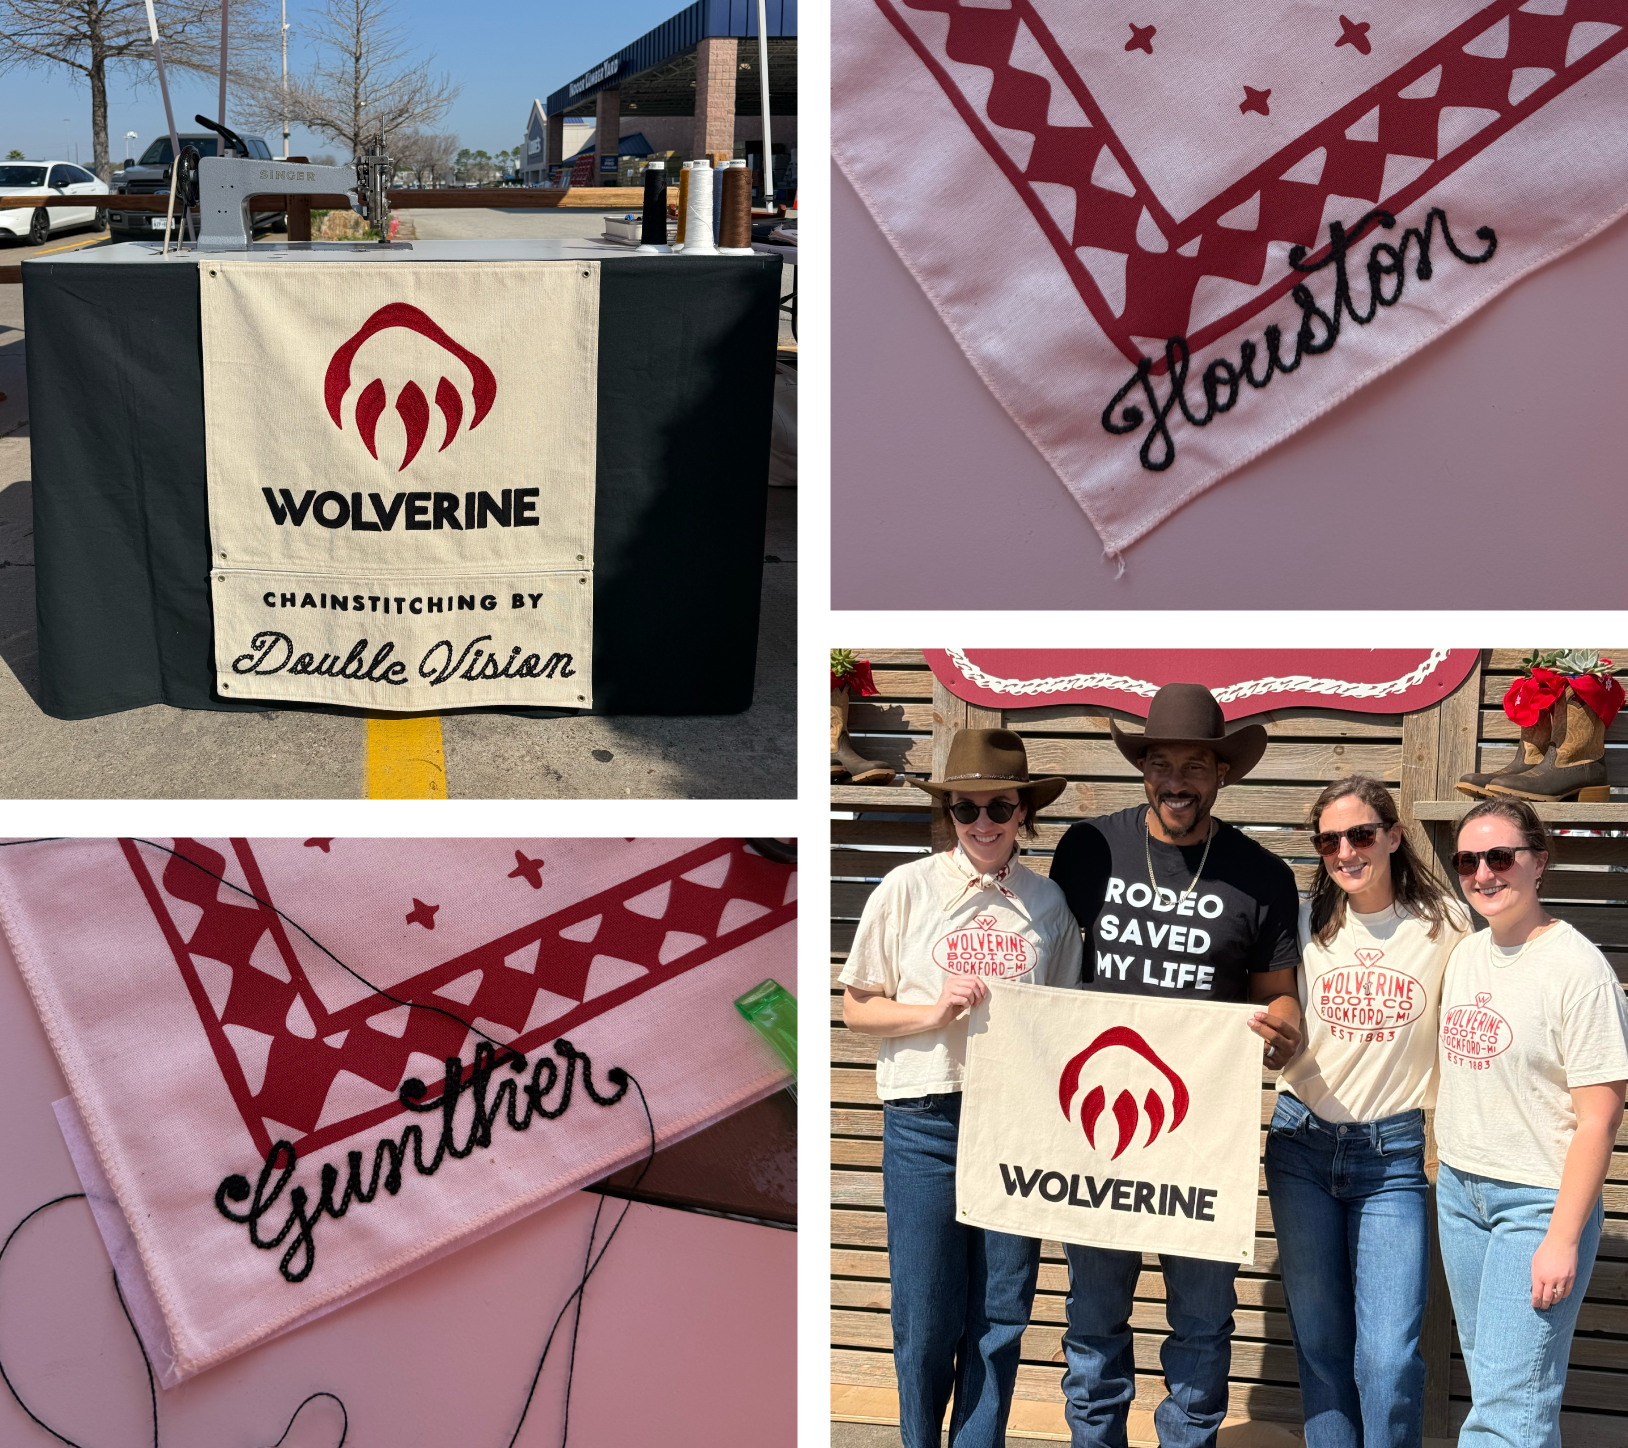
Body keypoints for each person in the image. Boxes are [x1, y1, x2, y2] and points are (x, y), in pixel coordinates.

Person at [1048, 682, 1302, 1448]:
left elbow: (1279, 997)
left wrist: (1284, 1029)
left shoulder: (1261, 875)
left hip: (1202, 1140)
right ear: (1143, 768)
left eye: (1196, 765)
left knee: (1202, 1324)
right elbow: (1048, 972)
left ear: (1222, 772)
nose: (1177, 781)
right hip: (1096, 1132)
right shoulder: (1088, 850)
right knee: (1094, 1320)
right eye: (1162, 763)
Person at [839, 728, 1084, 1448]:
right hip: (925, 1121)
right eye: (966, 808)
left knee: (1000, 1315)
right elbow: (851, 1007)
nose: (983, 822)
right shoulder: (905, 889)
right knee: (924, 1316)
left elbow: (1065, 1020)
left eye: (1000, 807)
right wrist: (931, 1012)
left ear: (1023, 813)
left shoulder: (1048, 904)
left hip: (1014, 1123)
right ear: (947, 813)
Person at [1267, 775, 1470, 1448]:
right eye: (1329, 841)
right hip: (1300, 1143)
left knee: (1388, 1358)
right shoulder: (1305, 922)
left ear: (1394, 836)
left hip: (1393, 1157)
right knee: (1321, 1346)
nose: (1346, 852)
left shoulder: (1446, 925)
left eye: (1360, 835)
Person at [1434, 798, 1628, 1448]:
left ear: (1539, 862)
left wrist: (1562, 1238)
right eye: (1468, 860)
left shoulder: (1579, 971)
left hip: (1537, 1205)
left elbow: (1599, 1119)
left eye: (1500, 856)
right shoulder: (1467, 955)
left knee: (1508, 1413)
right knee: (1501, 1389)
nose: (1483, 873)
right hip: (1461, 1193)